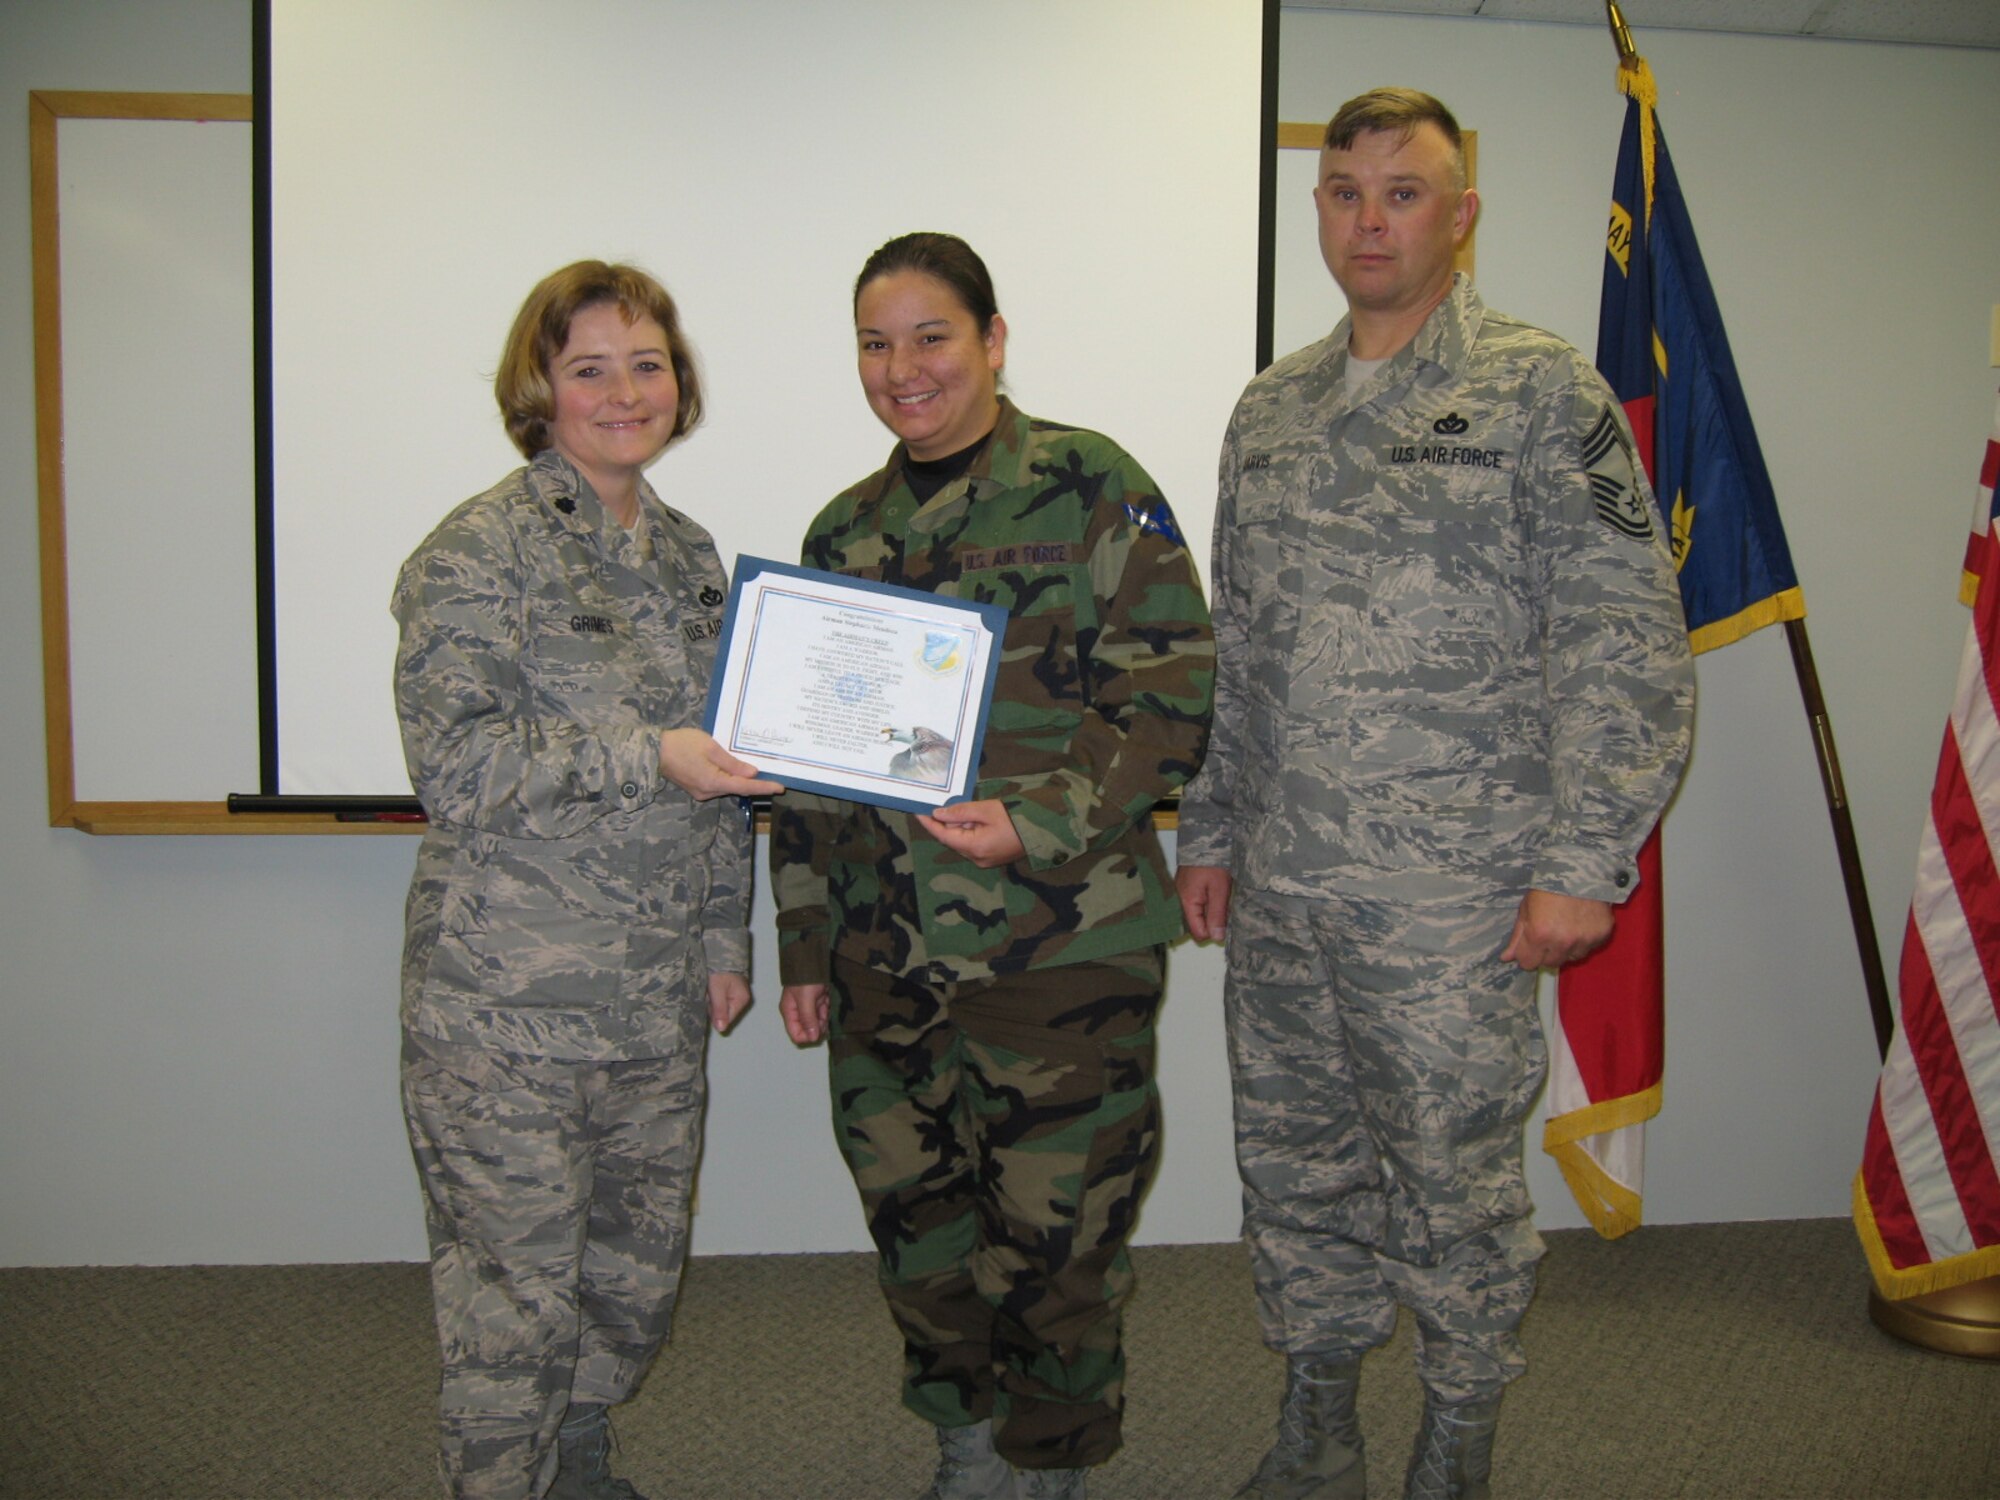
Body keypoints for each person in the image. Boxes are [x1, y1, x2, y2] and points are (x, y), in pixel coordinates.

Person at [1175, 90, 1693, 1500]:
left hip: (1454, 896)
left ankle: (1457, 1433)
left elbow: (1623, 636)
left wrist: (1588, 857)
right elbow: (1241, 641)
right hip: (1284, 882)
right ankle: (1319, 1417)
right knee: (1296, 1166)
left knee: (1452, 1179)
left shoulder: (1544, 392)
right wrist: (1212, 825)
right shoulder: (1270, 407)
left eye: (1403, 192)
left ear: (1460, 217)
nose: (1368, 219)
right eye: (1343, 191)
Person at [771, 232, 1214, 1500]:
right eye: (874, 342)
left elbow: (1175, 688)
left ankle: (1052, 1460)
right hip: (877, 955)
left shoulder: (1088, 486)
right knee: (918, 1229)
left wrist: (1045, 821)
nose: (900, 368)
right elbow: (806, 771)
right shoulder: (842, 531)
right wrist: (802, 945)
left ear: (992, 340)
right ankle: (966, 1440)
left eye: (930, 337)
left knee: (1056, 1239)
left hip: (1055, 945)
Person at [393, 260, 779, 1500]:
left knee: (631, 1272)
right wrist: (642, 754)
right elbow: (456, 766)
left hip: (653, 1001)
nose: (625, 391)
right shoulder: (475, 552)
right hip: (504, 1009)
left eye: (648, 362)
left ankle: (580, 1451)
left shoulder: (692, 559)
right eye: (590, 367)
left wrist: (727, 942)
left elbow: (725, 767)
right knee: (513, 1299)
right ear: (539, 390)